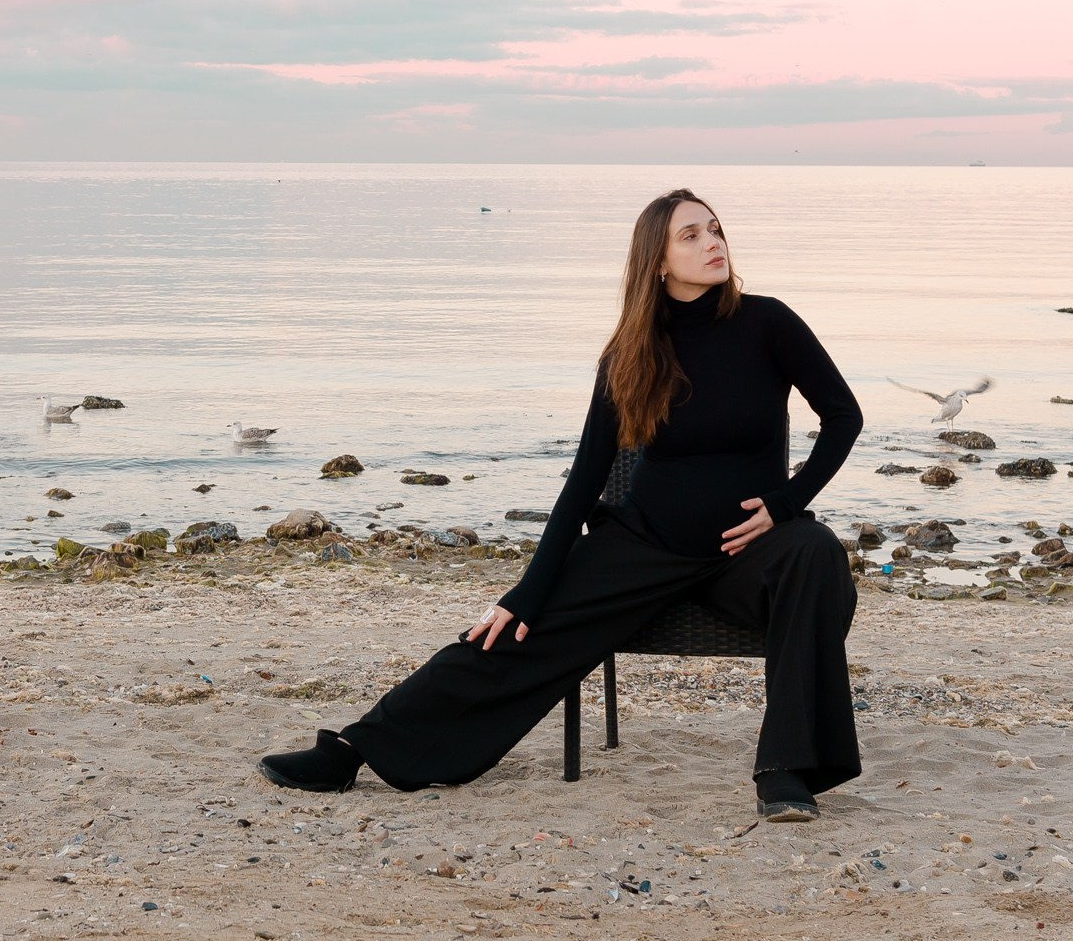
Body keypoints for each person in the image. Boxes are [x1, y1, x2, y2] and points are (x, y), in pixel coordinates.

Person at [256, 187, 865, 818]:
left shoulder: (768, 322)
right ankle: (355, 749)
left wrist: (786, 505)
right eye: (691, 235)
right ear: (656, 260)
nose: (713, 243)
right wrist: (527, 588)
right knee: (512, 630)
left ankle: (786, 771)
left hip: (747, 552)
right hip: (644, 545)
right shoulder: (629, 352)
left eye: (715, 230)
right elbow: (585, 479)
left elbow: (844, 416)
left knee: (816, 554)